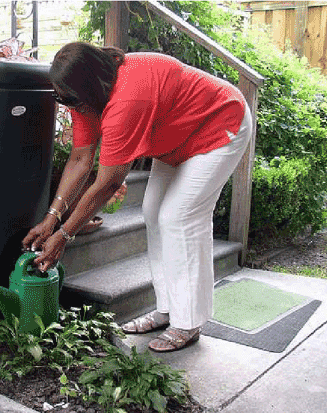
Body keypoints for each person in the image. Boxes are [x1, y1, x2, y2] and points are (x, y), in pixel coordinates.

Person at [22, 42, 253, 352]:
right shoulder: (82, 97)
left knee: (179, 218)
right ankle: (167, 309)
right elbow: (80, 159)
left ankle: (188, 321)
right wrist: (51, 217)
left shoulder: (127, 98)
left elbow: (106, 184)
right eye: (60, 98)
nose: (68, 106)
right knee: (153, 212)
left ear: (92, 88)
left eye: (70, 100)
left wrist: (64, 234)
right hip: (175, 137)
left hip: (219, 124)